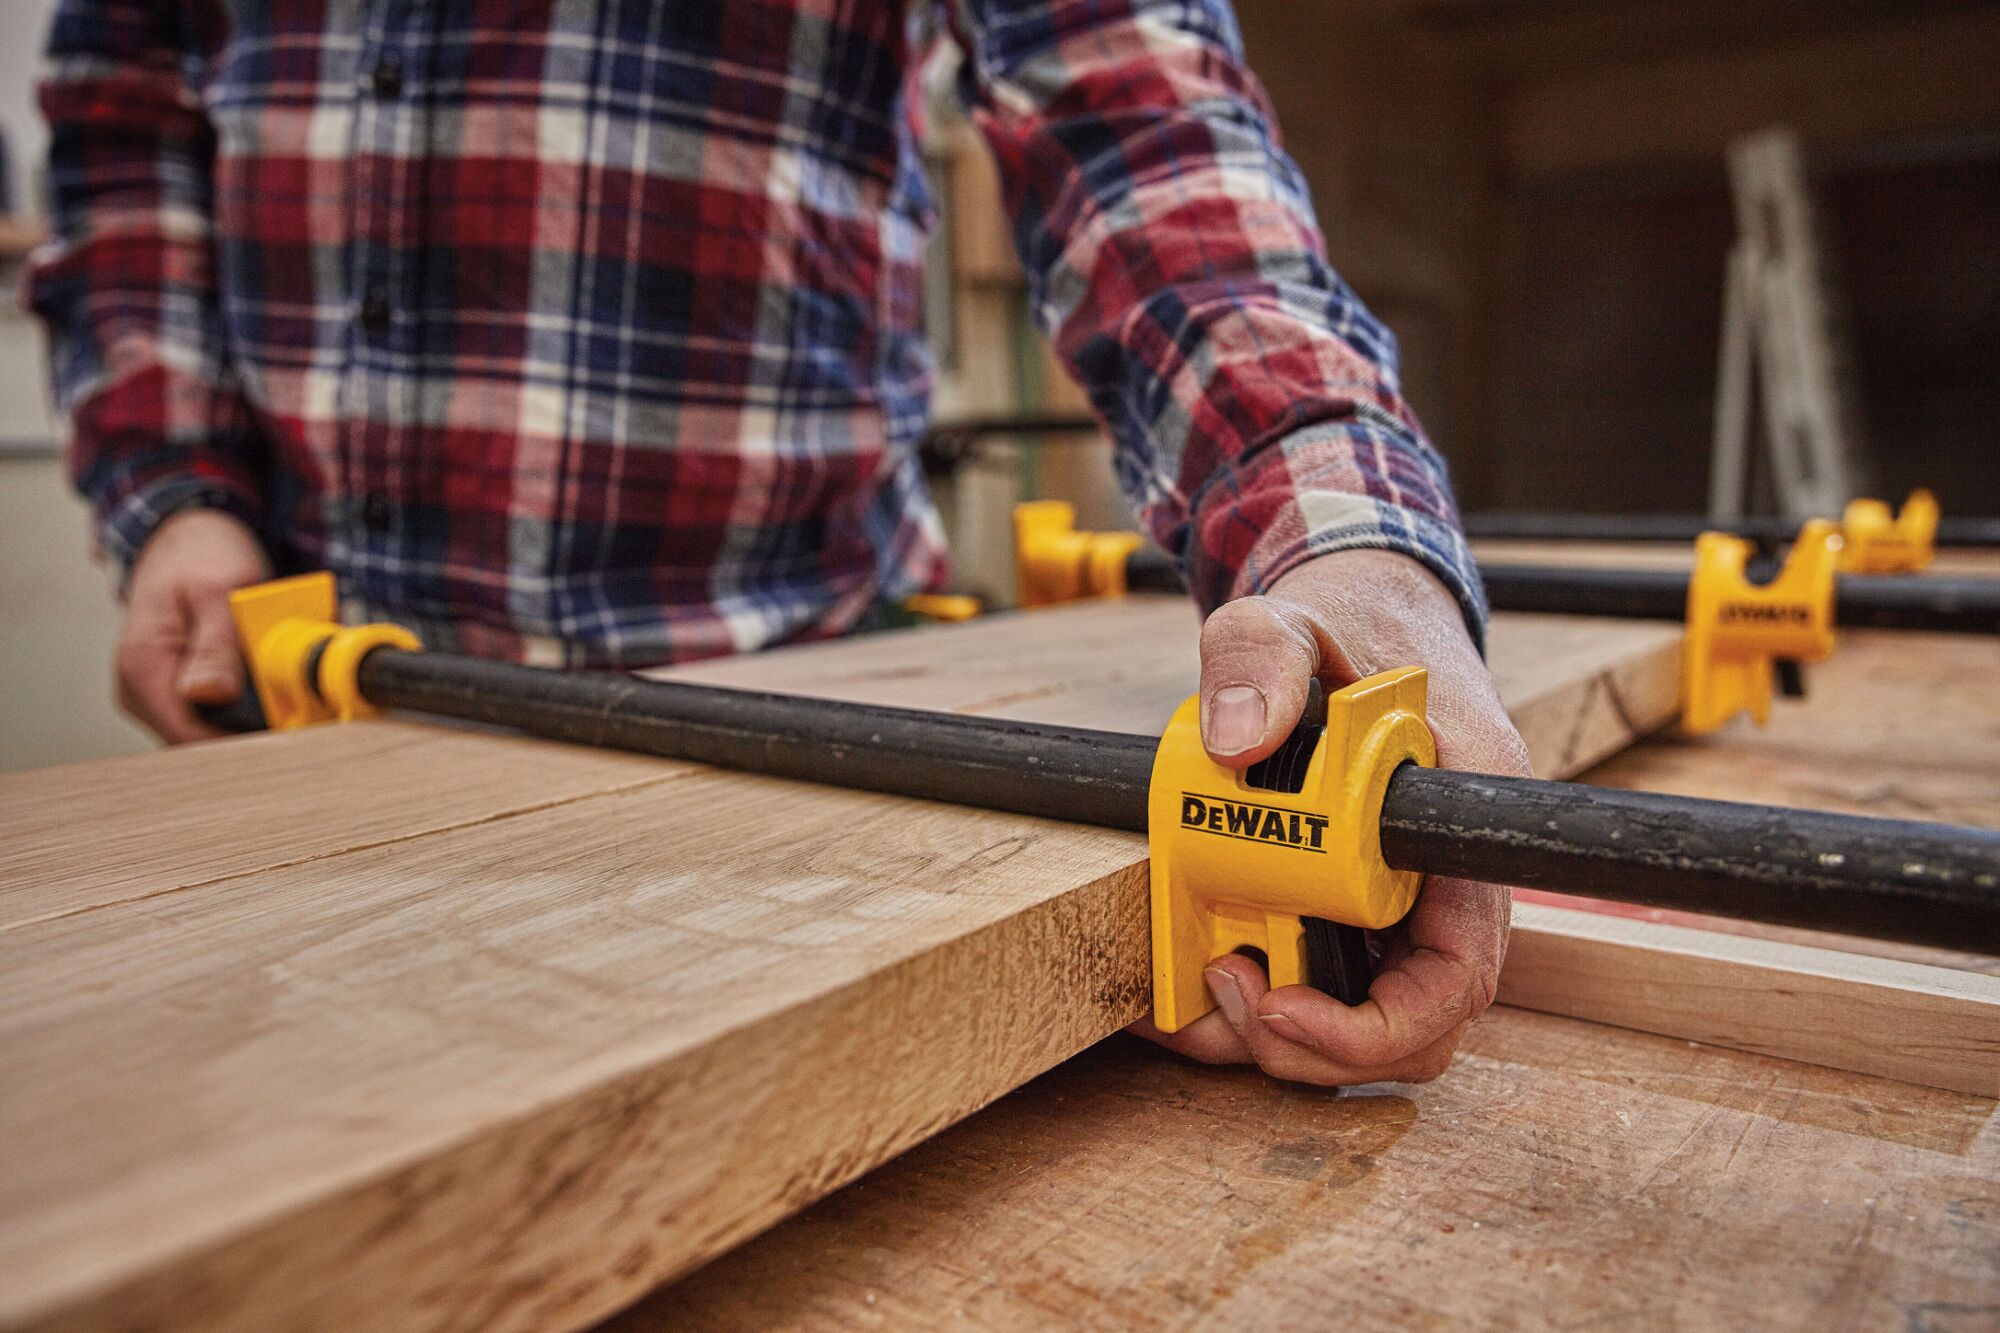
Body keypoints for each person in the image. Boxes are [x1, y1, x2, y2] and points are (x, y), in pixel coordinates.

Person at [30, 0, 1529, 1086]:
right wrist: (180, 492)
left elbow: (1131, 100)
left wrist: (1342, 535)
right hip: (324, 712)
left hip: (816, 731)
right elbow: (124, 109)